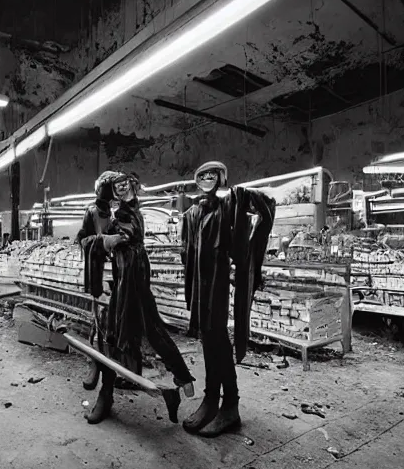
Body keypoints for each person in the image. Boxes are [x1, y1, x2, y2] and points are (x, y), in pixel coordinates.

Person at [81, 171, 195, 425]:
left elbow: (124, 235)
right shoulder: (110, 212)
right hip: (123, 276)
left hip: (133, 278)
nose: (118, 190)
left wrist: (105, 241)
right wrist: (100, 239)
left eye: (122, 185)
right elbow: (94, 237)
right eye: (113, 187)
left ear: (132, 186)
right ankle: (111, 391)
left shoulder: (128, 213)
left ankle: (180, 378)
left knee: (140, 329)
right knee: (118, 332)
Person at [181, 161, 275, 437]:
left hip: (218, 287)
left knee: (218, 340)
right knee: (208, 340)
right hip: (201, 287)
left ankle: (229, 404)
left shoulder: (227, 207)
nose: (207, 182)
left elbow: (266, 206)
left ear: (220, 180)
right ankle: (211, 400)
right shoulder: (196, 212)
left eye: (212, 177)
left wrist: (244, 196)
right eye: (202, 178)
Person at [76, 170, 121, 392]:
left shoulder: (114, 215)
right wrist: (100, 241)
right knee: (98, 319)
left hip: (113, 273)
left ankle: (107, 365)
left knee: (108, 322)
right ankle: (95, 363)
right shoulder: (91, 212)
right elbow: (82, 238)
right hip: (98, 273)